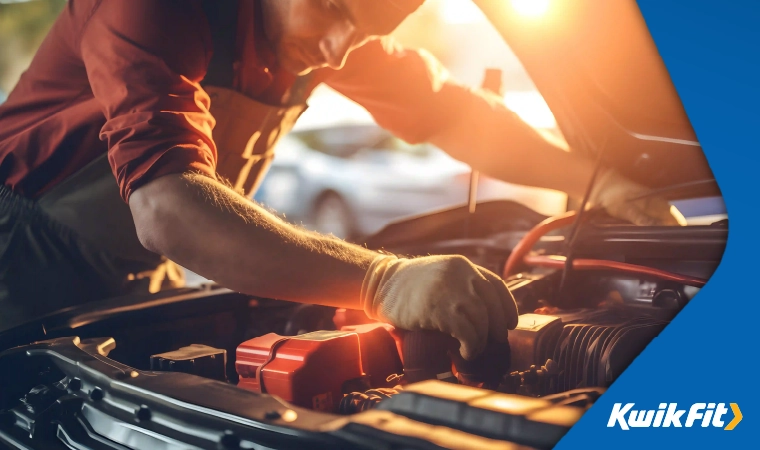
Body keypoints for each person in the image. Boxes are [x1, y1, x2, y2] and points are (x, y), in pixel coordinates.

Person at [0, 0, 675, 358]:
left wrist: (598, 179)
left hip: (137, 276)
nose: (336, 50)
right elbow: (168, 208)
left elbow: (447, 111)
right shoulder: (153, 6)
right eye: (332, 7)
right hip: (17, 258)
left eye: (366, 25)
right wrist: (382, 281)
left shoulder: (319, 34)